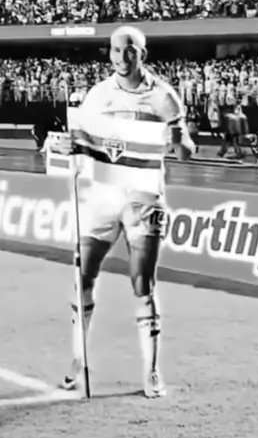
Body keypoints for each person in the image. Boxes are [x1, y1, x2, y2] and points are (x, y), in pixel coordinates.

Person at [56, 25, 195, 398]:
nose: (121, 57)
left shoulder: (164, 97)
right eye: (116, 50)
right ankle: (78, 361)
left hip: (143, 198)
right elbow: (83, 140)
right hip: (102, 194)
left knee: (142, 283)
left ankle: (151, 371)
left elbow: (187, 152)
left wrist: (179, 141)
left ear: (142, 54)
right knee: (83, 276)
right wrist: (70, 145)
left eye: (129, 50)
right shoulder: (98, 94)